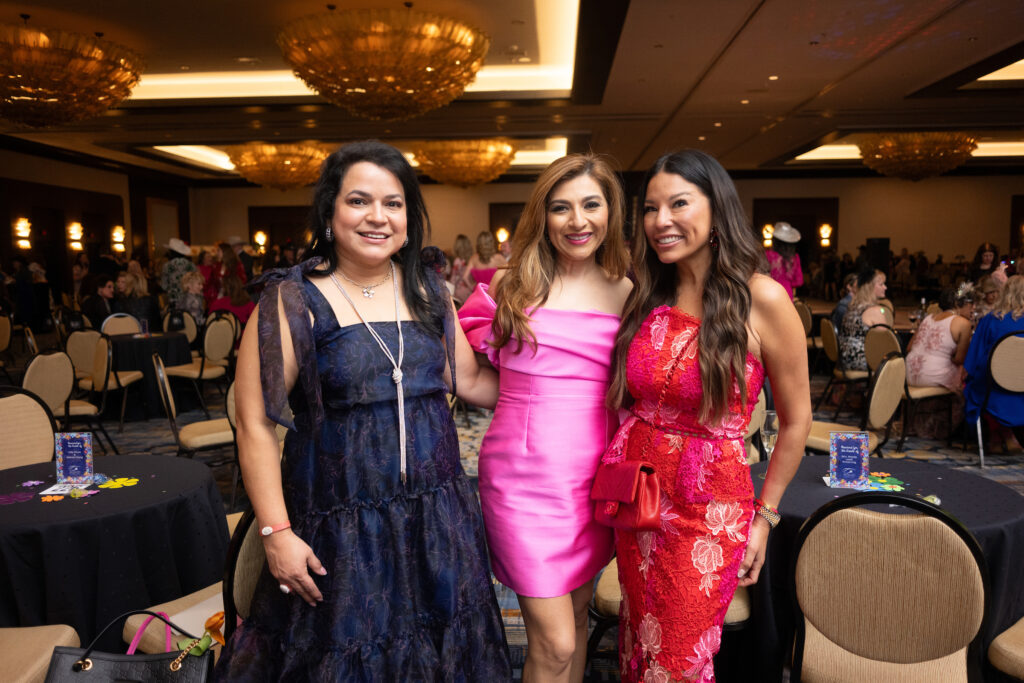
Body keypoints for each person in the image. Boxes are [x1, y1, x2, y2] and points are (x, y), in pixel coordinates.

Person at [213, 141, 511, 681]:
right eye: (359, 201)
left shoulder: (429, 291)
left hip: (435, 517)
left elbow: (465, 380)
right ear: (330, 211)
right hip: (341, 526)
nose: (378, 217)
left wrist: (565, 374)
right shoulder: (292, 300)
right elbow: (255, 424)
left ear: (408, 217)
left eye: (393, 204)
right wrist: (276, 533)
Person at [603, 149, 811, 682]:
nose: (660, 221)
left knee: (678, 659)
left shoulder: (761, 298)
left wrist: (764, 517)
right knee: (639, 645)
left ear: (716, 209)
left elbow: (796, 420)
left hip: (707, 511)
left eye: (678, 204)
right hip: (639, 499)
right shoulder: (650, 291)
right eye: (650, 209)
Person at [458, 154, 632, 682]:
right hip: (522, 482)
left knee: (577, 621)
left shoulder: (629, 291)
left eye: (590, 205)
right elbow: (477, 384)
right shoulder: (513, 284)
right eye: (561, 208)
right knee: (553, 642)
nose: (577, 220)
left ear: (610, 212)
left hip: (595, 482)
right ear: (543, 215)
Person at [964, 275, 1024, 449]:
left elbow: (972, 362)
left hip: (992, 389)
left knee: (971, 381)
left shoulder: (991, 320)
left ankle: (997, 435)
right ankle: (1005, 434)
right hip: (1023, 390)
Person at [905, 286, 973, 439]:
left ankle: (919, 423)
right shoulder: (962, 323)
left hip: (909, 373)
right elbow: (959, 360)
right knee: (966, 379)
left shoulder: (928, 318)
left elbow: (909, 347)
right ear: (958, 303)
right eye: (970, 304)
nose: (972, 308)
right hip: (931, 376)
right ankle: (942, 429)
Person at [838, 267, 888, 371]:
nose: (885, 287)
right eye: (881, 284)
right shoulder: (874, 310)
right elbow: (886, 341)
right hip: (861, 361)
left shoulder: (853, 306)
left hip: (844, 359)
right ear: (870, 287)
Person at [765, 221, 803, 299]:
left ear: (774, 240)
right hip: (787, 293)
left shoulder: (767, 255)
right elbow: (799, 281)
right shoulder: (794, 258)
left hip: (769, 292)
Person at [159, 238, 196, 310]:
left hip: (173, 301)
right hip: (189, 300)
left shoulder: (167, 266)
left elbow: (164, 286)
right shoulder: (191, 265)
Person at [448, 233, 474, 304]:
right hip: (471, 290)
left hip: (460, 292)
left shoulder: (457, 261)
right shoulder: (472, 259)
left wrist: (449, 292)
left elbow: (453, 279)